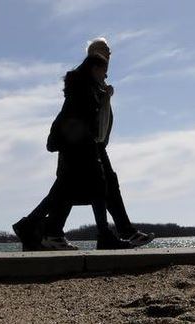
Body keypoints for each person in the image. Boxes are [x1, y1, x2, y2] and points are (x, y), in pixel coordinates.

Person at [13, 38, 154, 250]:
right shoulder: (85, 82)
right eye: (103, 51)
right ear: (92, 55)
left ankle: (46, 229)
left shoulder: (97, 83)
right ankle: (53, 230)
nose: (108, 55)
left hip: (91, 145)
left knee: (93, 186)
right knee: (74, 189)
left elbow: (100, 122)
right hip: (80, 146)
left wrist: (104, 98)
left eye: (109, 52)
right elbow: (78, 115)